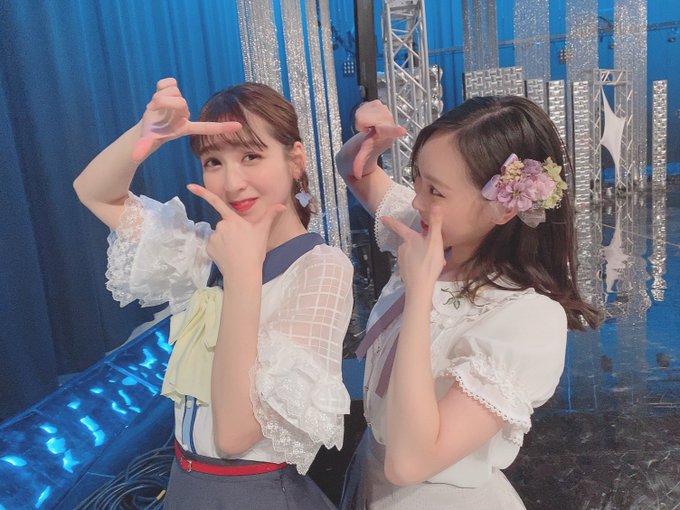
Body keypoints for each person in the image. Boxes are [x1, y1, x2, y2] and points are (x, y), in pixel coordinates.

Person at [73, 78, 353, 509]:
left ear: (295, 160)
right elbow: (95, 194)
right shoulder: (206, 250)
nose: (233, 182)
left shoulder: (320, 268)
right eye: (213, 162)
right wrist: (146, 136)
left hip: (254, 494)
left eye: (251, 156)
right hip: (186, 484)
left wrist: (241, 277)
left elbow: (236, 434)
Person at [335, 96, 601, 509]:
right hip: (371, 472)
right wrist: (370, 143)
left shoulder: (527, 319)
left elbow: (409, 463)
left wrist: (419, 292)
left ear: (502, 208)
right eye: (417, 179)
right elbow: (355, 171)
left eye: (435, 190)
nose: (417, 201)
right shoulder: (431, 235)